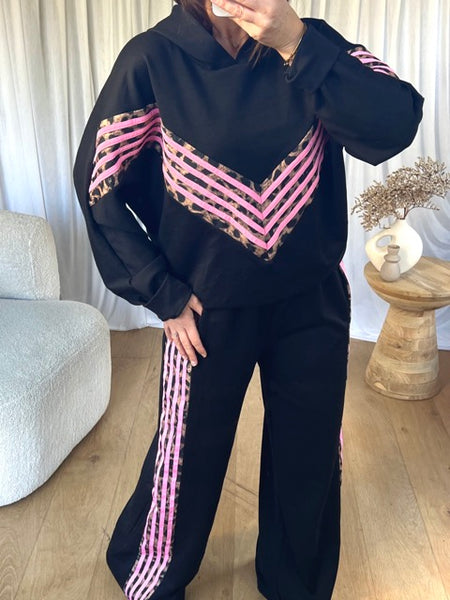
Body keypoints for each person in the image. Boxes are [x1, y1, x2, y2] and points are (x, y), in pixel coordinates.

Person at [73, 1, 423, 598]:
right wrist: (162, 292)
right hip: (205, 313)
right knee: (187, 458)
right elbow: (97, 182)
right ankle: (151, 572)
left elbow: (394, 122)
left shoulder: (312, 46)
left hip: (312, 301)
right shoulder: (154, 59)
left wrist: (294, 40)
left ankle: (295, 583)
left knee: (310, 454)